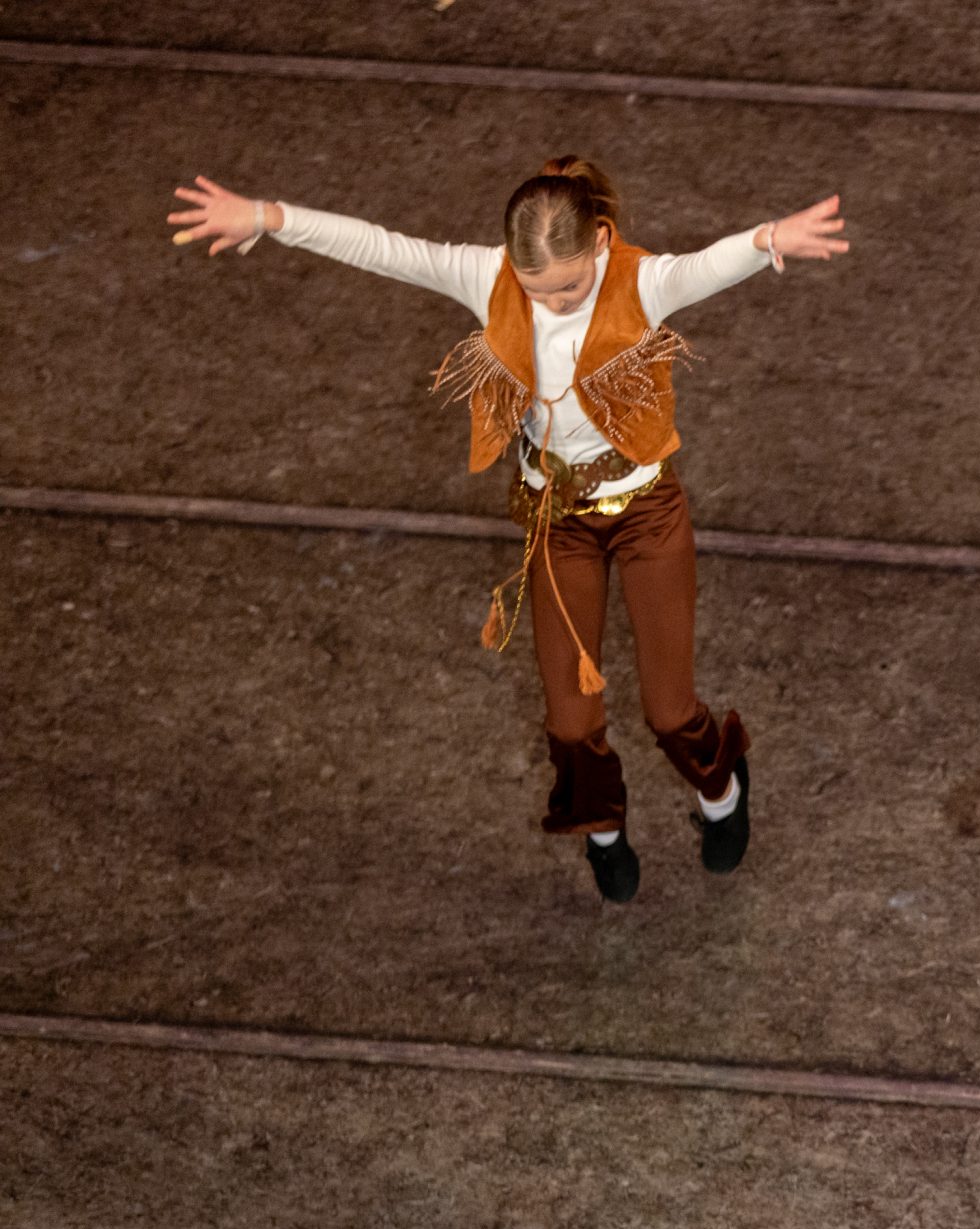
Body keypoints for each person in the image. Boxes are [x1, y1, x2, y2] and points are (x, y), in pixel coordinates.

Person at [168, 159, 849, 901]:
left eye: (569, 287)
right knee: (570, 718)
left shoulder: (640, 281)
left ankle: (722, 792)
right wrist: (269, 217)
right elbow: (384, 248)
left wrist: (767, 239)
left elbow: (709, 265)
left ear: (600, 243)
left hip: (646, 513)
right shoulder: (487, 278)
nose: (553, 302)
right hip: (556, 522)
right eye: (536, 289)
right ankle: (603, 831)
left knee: (668, 707)